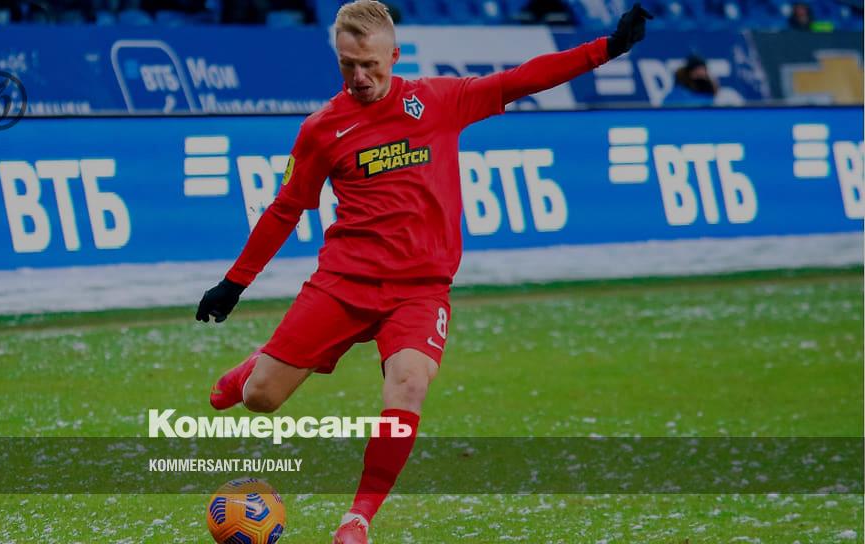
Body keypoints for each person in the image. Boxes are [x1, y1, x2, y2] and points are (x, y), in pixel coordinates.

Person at [195, 1, 651, 542]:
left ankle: (357, 520)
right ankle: (255, 369)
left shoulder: (438, 101)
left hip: (419, 291)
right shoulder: (321, 129)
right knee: (262, 399)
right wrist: (235, 283)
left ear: (395, 56)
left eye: (370, 65)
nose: (359, 78)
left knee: (409, 385)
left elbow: (522, 79)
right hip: (343, 285)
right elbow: (285, 209)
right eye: (347, 66)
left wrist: (606, 49)